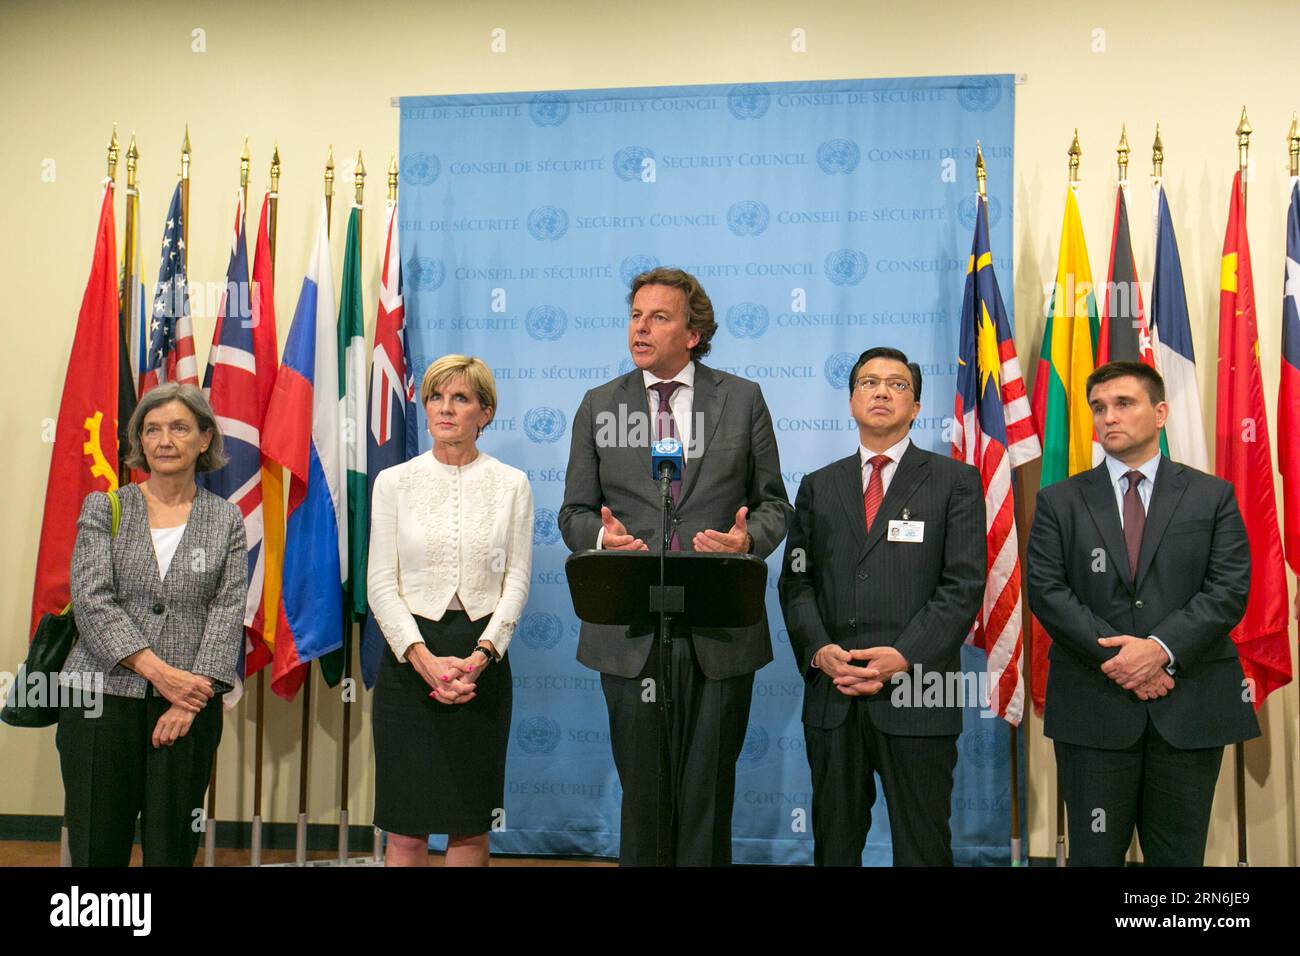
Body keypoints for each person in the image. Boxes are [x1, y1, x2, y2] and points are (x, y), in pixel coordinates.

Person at [559, 267, 792, 866]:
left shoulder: (741, 400)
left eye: (659, 317)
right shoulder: (598, 405)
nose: (641, 326)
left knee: (707, 793)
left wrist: (746, 543)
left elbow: (774, 505)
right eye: (636, 315)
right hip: (629, 629)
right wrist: (602, 540)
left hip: (718, 629)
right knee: (643, 794)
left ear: (693, 333)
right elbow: (574, 514)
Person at [1026, 360, 1260, 866]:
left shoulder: (1211, 495)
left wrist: (1159, 651)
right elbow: (1047, 591)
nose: (1108, 416)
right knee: (1094, 854)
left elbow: (1228, 589)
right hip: (1093, 708)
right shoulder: (1059, 501)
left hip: (1189, 704)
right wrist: (1122, 660)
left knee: (1179, 860)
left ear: (1160, 413)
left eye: (1123, 403)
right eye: (1099, 408)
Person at [778, 347, 985, 866]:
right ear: (851, 401)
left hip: (919, 691)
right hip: (834, 692)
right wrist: (820, 650)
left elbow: (962, 586)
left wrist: (902, 656)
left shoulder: (954, 481)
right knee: (835, 841)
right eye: (869, 382)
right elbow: (796, 582)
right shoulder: (818, 486)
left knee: (923, 845)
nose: (881, 392)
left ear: (915, 406)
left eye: (897, 385)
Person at [60, 382, 245, 866]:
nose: (165, 440)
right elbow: (91, 601)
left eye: (179, 428)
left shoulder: (226, 519)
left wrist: (190, 697)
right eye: (152, 429)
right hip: (100, 701)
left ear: (204, 439)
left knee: (171, 849)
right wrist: (162, 675)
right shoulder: (106, 507)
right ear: (139, 441)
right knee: (98, 844)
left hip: (187, 708)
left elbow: (227, 612)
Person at [367, 355, 533, 867]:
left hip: (480, 663)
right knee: (406, 827)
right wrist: (424, 661)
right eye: (436, 397)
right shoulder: (394, 482)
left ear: (484, 412)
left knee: (468, 826)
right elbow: (380, 585)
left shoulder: (512, 484)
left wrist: (480, 657)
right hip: (408, 664)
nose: (445, 409)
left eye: (460, 398)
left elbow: (517, 582)